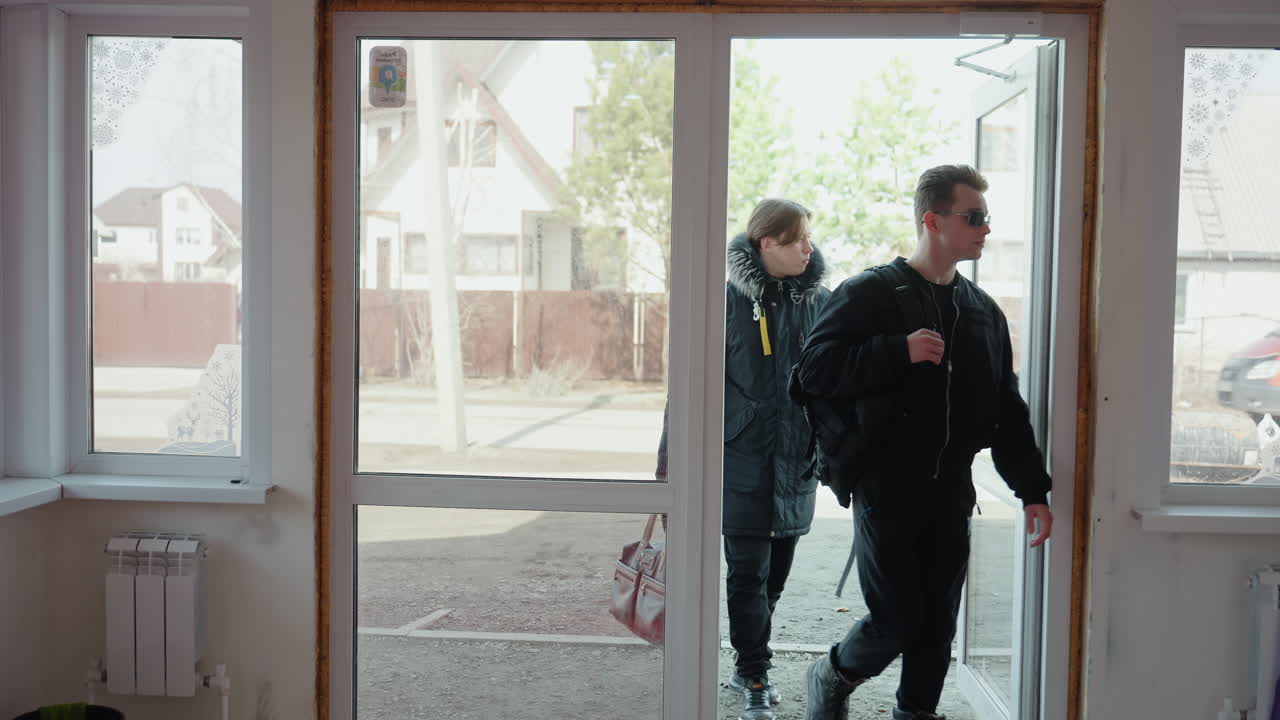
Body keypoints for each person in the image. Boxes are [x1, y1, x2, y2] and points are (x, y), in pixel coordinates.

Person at [792, 165, 1053, 720]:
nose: (985, 229)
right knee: (896, 620)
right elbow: (812, 371)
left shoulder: (983, 312)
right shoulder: (869, 294)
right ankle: (833, 671)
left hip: (951, 486)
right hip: (885, 484)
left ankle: (916, 713)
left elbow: (1006, 408)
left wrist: (1032, 489)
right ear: (933, 221)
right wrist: (896, 350)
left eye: (987, 218)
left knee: (937, 622)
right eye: (974, 217)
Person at [658, 198, 830, 720]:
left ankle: (746, 659)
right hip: (741, 461)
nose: (809, 246)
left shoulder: (818, 302)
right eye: (798, 238)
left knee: (774, 578)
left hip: (796, 461)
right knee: (747, 576)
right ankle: (755, 672)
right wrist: (667, 467)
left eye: (809, 237)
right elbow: (686, 386)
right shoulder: (724, 300)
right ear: (766, 244)